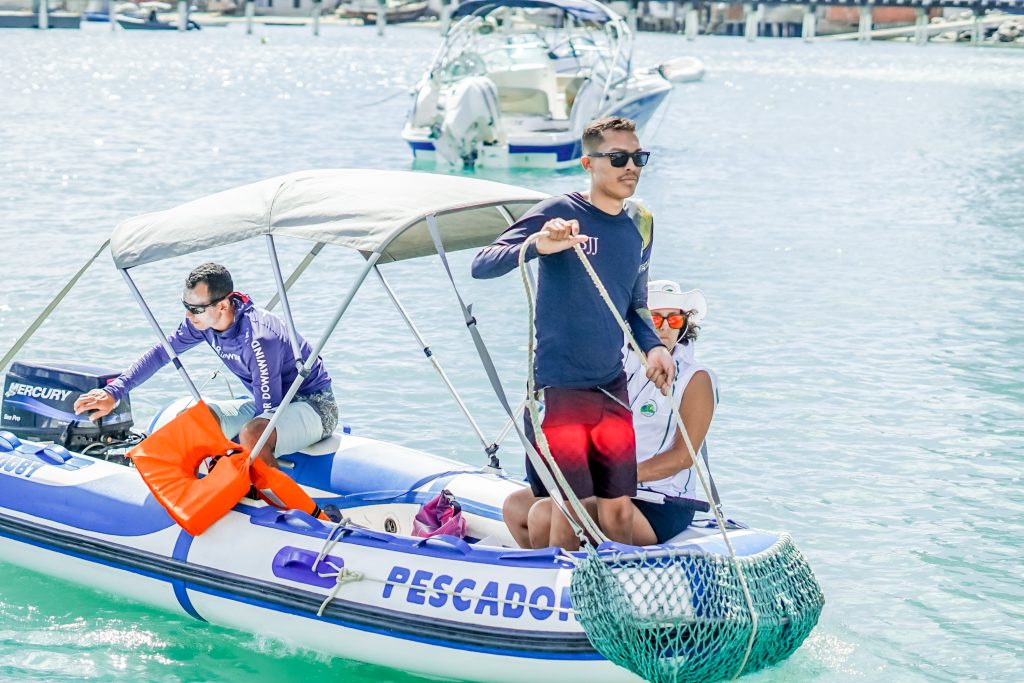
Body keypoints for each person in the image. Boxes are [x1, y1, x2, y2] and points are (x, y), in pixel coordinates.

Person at [472, 116, 675, 551]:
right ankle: (567, 589)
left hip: (611, 386)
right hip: (559, 390)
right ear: (588, 163)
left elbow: (635, 303)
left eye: (638, 157)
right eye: (617, 158)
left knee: (618, 510)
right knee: (572, 510)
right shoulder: (559, 213)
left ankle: (617, 585)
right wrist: (538, 246)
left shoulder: (641, 222)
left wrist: (654, 348)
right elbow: (483, 263)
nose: (630, 167)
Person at [504, 279, 717, 549]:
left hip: (660, 500)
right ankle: (571, 564)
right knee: (515, 506)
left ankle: (571, 569)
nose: (665, 328)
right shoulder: (611, 366)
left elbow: (683, 458)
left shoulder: (696, 378)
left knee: (544, 514)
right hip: (605, 488)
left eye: (674, 320)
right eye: (655, 319)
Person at [73, 262, 337, 468]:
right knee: (192, 420)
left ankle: (278, 506)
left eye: (196, 309)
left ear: (223, 305)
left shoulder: (259, 338)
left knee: (252, 435)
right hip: (267, 402)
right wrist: (114, 392)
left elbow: (269, 412)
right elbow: (161, 354)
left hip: (314, 406)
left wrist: (231, 452)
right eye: (185, 306)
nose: (189, 315)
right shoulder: (201, 324)